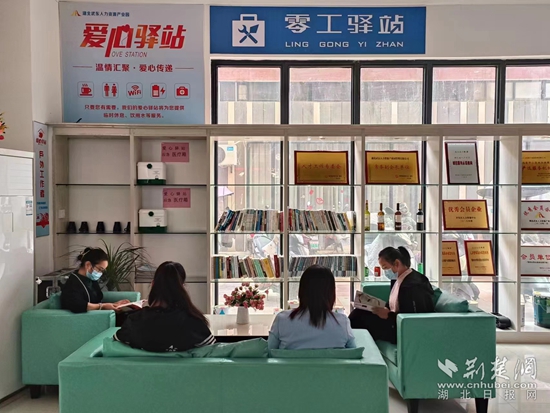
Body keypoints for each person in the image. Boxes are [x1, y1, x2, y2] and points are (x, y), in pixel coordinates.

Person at [114, 261, 215, 352]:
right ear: (182, 288)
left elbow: (115, 346)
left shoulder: (134, 320)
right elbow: (210, 351)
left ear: (153, 284)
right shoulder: (193, 322)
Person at [349, 246, 434, 344]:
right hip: (393, 321)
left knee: (358, 318)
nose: (385, 272)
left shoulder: (413, 286)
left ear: (396, 263)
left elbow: (412, 318)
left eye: (385, 267)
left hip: (401, 329)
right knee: (359, 312)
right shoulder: (401, 279)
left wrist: (388, 315)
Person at [268, 265, 356, 350]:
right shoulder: (342, 322)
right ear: (331, 293)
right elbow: (354, 353)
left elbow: (269, 351)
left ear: (301, 290)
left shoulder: (282, 320)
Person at [61, 247, 129, 313]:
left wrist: (114, 305)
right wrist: (102, 306)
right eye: (100, 269)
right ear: (88, 265)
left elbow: (97, 302)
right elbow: (78, 305)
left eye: (103, 271)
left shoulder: (91, 280)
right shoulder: (72, 284)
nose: (101, 273)